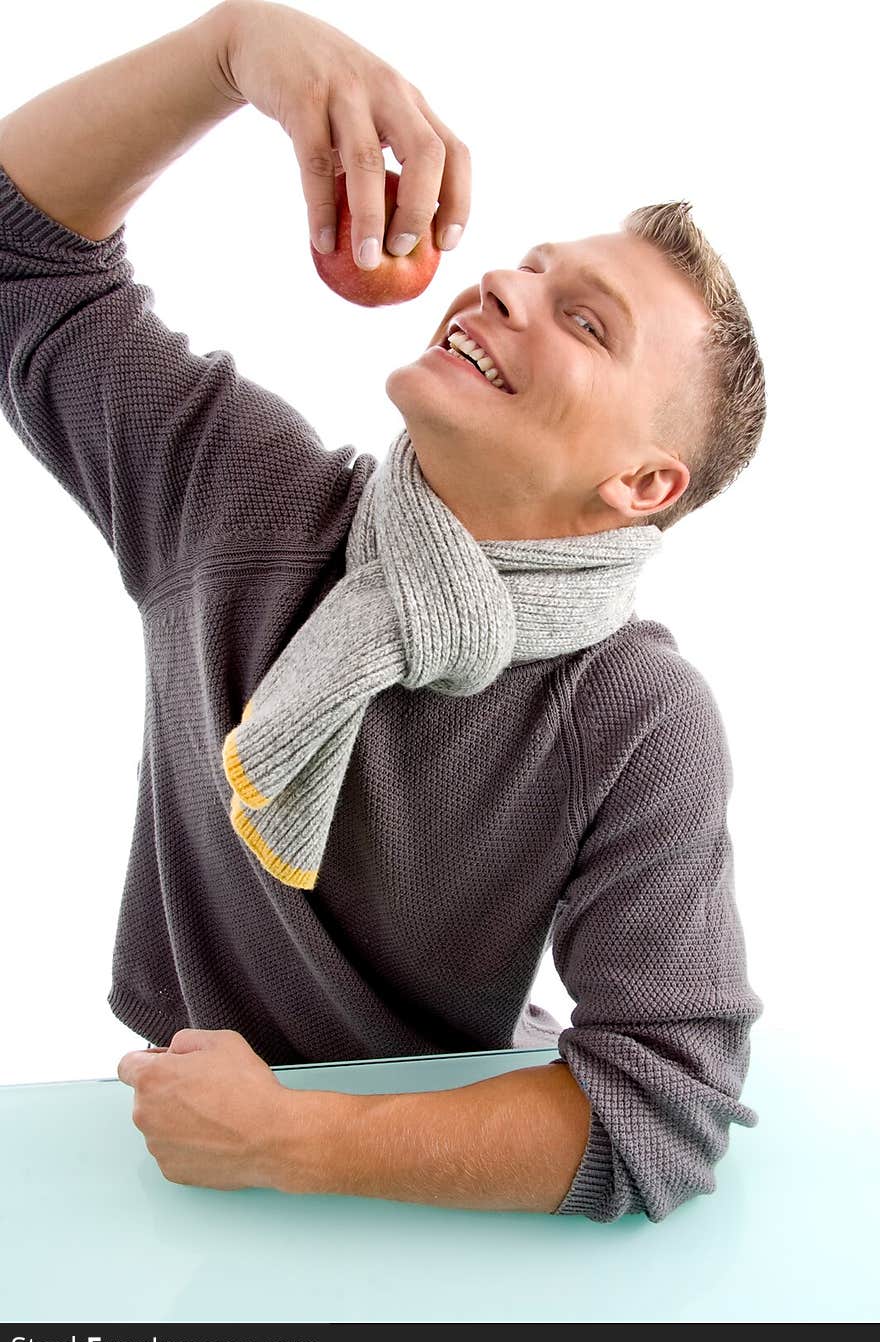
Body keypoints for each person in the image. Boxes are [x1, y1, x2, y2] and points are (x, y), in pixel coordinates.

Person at [0, 0, 765, 1222]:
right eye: (530, 265)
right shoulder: (240, 503)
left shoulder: (634, 714)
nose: (504, 287)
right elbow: (19, 249)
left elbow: (662, 1107)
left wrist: (288, 1139)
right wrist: (234, 45)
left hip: (443, 1186)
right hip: (178, 1170)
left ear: (641, 485)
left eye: (583, 320)